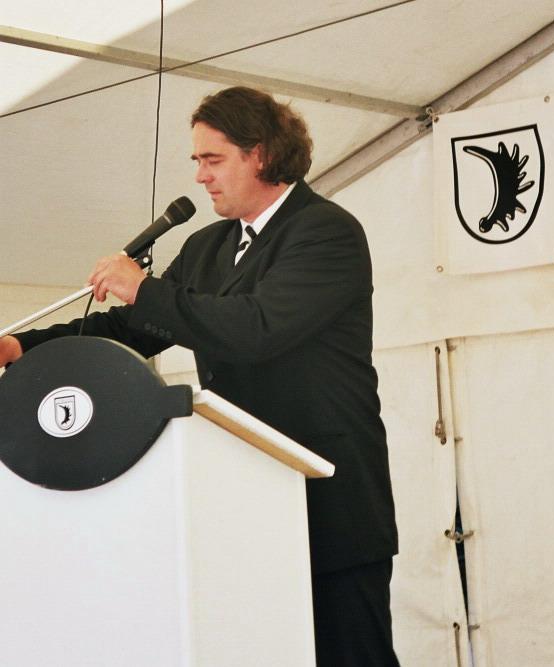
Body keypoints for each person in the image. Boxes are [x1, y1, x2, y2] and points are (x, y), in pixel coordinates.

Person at [0, 86, 400, 666]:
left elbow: (256, 329)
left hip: (329, 500)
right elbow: (135, 328)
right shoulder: (208, 245)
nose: (200, 176)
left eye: (213, 160)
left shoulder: (326, 231)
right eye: (197, 161)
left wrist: (144, 288)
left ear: (261, 154)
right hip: (243, 495)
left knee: (350, 654)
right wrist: (21, 347)